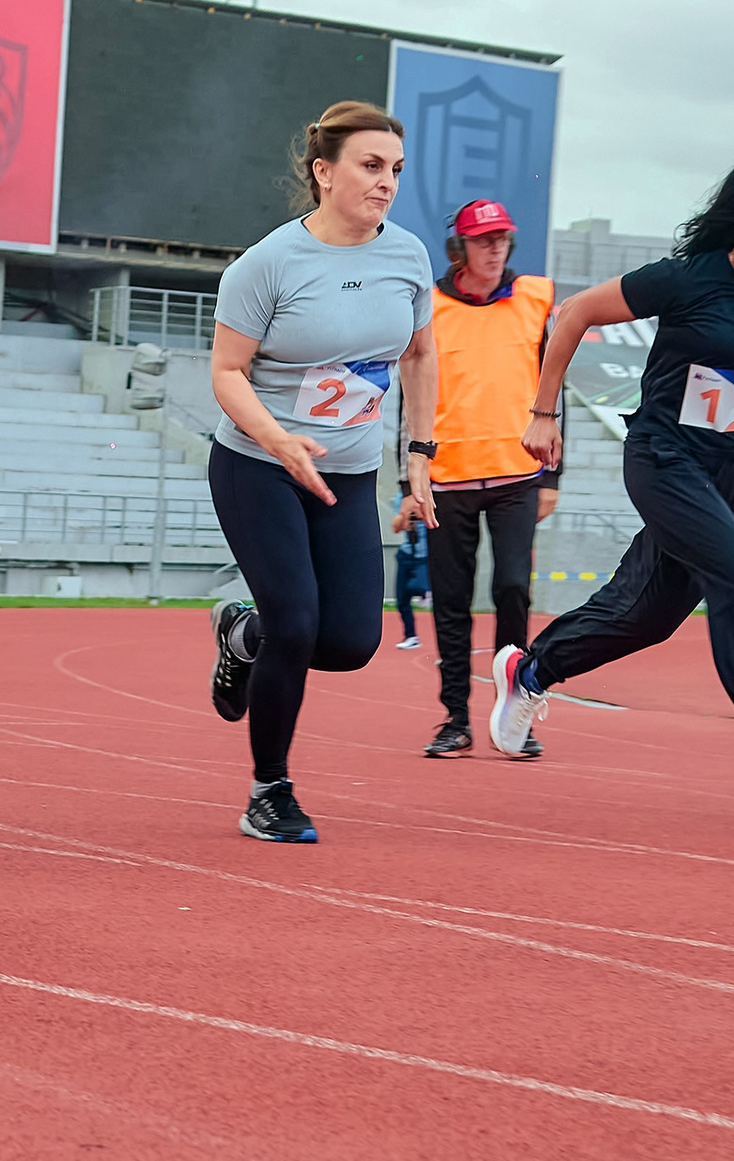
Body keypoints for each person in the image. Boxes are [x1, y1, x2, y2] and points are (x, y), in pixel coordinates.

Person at [490, 154, 734, 820]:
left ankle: (530, 671)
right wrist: (543, 415)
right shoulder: (686, 280)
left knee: (650, 615)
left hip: (728, 471)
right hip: (663, 457)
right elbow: (572, 314)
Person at [204, 100, 438, 843]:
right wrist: (280, 440)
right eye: (371, 166)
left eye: (396, 170)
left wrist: (419, 457)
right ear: (323, 171)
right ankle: (268, 790)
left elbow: (421, 355)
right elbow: (227, 372)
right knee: (298, 624)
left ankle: (243, 635)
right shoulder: (269, 264)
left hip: (350, 470)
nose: (386, 183)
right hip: (258, 464)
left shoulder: (407, 255)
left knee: (349, 641)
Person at [404, 198, 561, 759]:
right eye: (482, 240)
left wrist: (552, 476)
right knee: (450, 601)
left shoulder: (535, 299)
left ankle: (515, 711)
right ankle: (455, 719)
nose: (495, 249)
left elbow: (553, 384)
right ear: (460, 248)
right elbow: (411, 397)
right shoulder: (430, 308)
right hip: (447, 478)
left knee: (513, 588)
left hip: (519, 472)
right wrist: (409, 482)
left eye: (501, 239)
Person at [392, 516, 427, 649]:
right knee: (402, 599)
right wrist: (405, 517)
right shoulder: (400, 499)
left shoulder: (432, 499)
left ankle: (424, 592)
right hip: (406, 555)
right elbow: (396, 527)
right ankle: (411, 636)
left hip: (425, 557)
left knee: (417, 587)